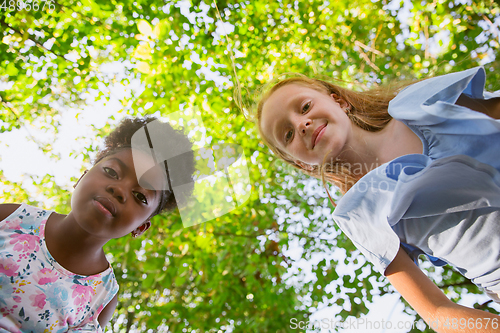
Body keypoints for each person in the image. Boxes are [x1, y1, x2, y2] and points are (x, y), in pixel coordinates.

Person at [257, 66, 500, 333]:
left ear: (339, 100)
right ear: (301, 163)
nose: (301, 125)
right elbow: (438, 313)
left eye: (304, 107)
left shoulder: (414, 104)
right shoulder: (356, 215)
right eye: (287, 134)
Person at [0, 116, 194, 332]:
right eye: (112, 172)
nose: (119, 190)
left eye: (140, 196)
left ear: (140, 227)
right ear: (81, 178)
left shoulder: (102, 298)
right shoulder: (12, 218)